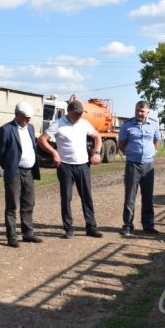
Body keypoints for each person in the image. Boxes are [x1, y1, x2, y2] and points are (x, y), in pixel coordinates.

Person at [38, 99, 104, 239]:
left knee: (87, 197)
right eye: (77, 113)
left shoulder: (84, 123)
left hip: (83, 165)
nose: (79, 116)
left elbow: (97, 137)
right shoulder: (58, 124)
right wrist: (54, 153)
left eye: (81, 113)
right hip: (65, 166)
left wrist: (96, 153)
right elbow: (42, 139)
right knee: (66, 198)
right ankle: (68, 228)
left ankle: (91, 227)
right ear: (69, 112)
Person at [0, 102, 43, 247]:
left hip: (29, 172)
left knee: (28, 203)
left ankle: (28, 233)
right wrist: (9, 166)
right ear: (17, 115)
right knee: (12, 204)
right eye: (26, 117)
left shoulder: (31, 128)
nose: (28, 120)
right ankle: (12, 237)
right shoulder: (7, 129)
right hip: (14, 172)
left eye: (30, 117)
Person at [118, 100, 161, 237]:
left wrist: (152, 152)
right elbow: (121, 144)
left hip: (148, 165)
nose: (139, 113)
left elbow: (157, 141)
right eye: (137, 110)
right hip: (132, 164)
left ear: (148, 112)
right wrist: (131, 154)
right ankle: (128, 225)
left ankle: (148, 225)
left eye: (142, 111)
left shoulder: (154, 124)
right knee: (130, 196)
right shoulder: (127, 125)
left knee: (148, 196)